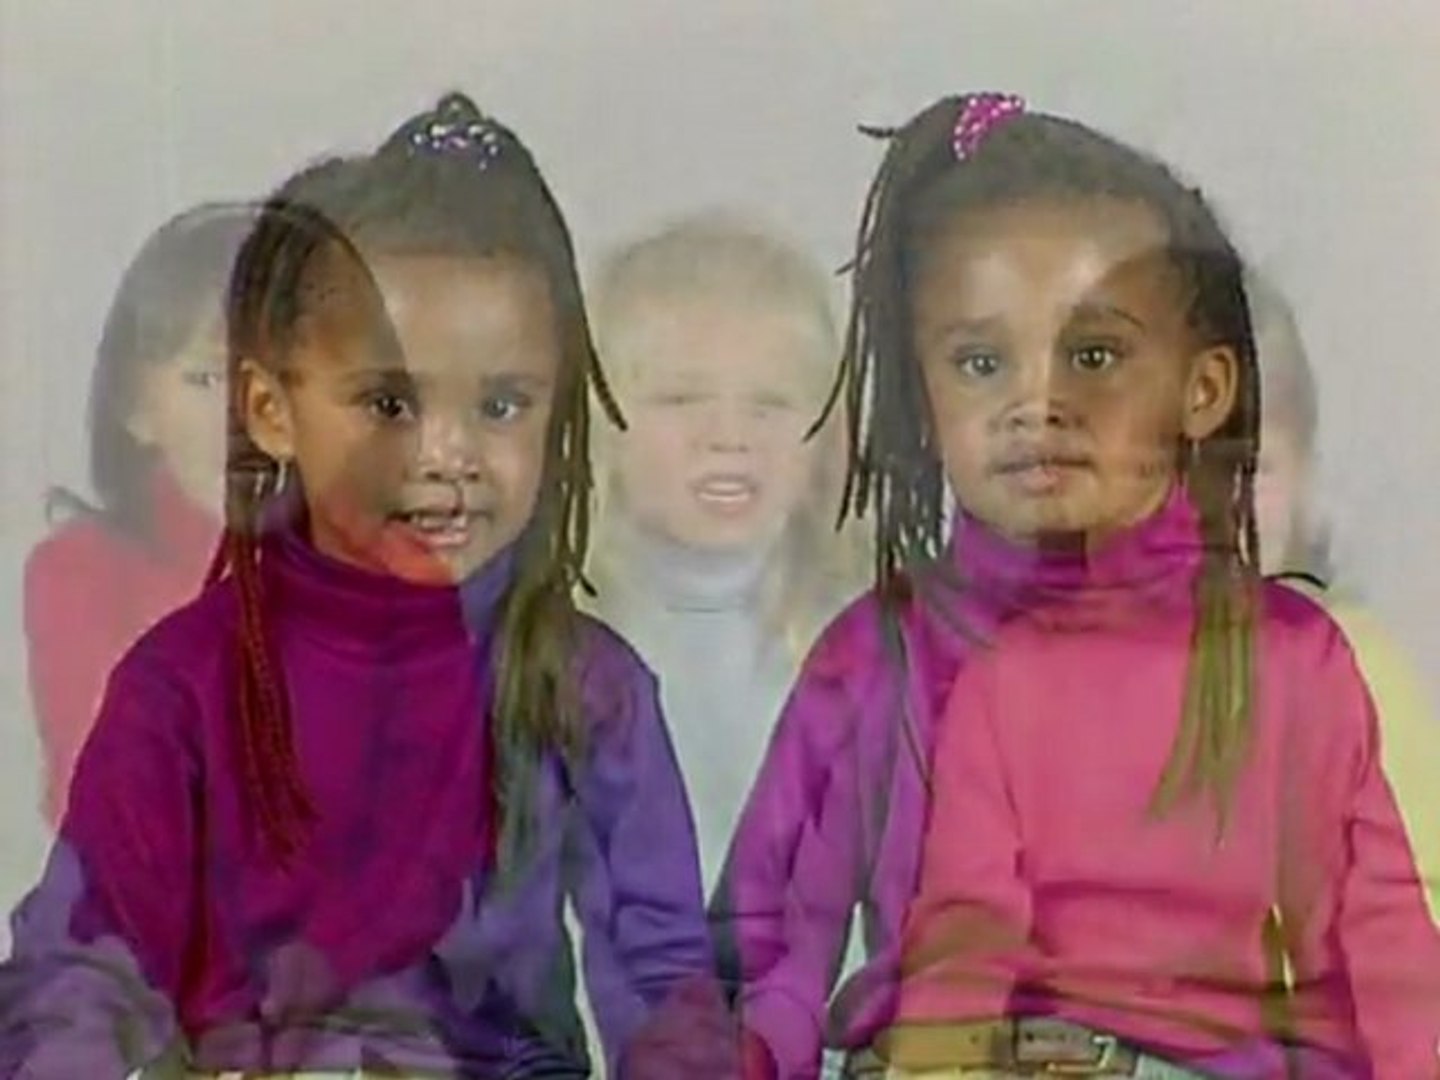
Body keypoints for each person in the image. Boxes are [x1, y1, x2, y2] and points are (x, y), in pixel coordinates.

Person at [0, 93, 732, 1079]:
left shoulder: (586, 688)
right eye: (389, 402)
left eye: (503, 404)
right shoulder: (182, 686)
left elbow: (663, 979)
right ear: (271, 409)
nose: (448, 454)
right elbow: (81, 968)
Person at [825, 94, 1438, 1078]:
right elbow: (964, 938)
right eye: (985, 362)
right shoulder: (1005, 677)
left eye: (1095, 357)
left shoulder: (1297, 659)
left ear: (1204, 392)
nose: (1041, 404)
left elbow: (1375, 942)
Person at [585, 213, 864, 891]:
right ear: (598, 421)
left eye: (771, 403)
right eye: (681, 399)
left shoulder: (865, 634)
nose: (729, 436)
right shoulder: (557, 638)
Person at [23, 205, 247, 824]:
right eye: (207, 378)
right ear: (135, 409)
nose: (246, 410)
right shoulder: (82, 571)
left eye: (286, 374)